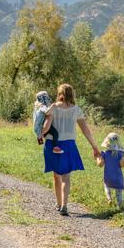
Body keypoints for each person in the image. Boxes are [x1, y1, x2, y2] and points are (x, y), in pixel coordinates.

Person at [43, 84, 100, 216]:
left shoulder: (53, 108)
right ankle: (64, 205)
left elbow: (45, 124)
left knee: (56, 175)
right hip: (68, 144)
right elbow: (86, 130)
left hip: (52, 143)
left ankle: (58, 204)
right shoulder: (76, 110)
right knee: (66, 176)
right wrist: (94, 147)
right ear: (72, 94)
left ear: (59, 93)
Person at [96, 132, 124, 208]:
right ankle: (120, 206)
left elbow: (100, 164)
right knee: (119, 193)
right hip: (118, 178)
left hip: (108, 177)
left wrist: (97, 157)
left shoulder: (105, 153)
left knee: (106, 186)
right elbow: (122, 165)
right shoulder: (120, 154)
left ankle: (109, 198)